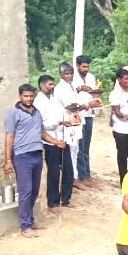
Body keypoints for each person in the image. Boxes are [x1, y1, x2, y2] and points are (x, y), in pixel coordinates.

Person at [4, 83, 66, 238]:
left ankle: (30, 220)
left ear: (35, 96)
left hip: (37, 155)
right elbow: (9, 136)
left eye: (31, 96)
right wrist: (7, 159)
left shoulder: (36, 112)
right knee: (25, 192)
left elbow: (42, 132)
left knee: (34, 190)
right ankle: (25, 226)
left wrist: (56, 142)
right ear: (20, 96)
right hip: (22, 156)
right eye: (26, 96)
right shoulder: (13, 113)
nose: (29, 98)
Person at [37, 75, 76, 211]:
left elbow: (63, 114)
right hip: (50, 141)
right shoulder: (38, 101)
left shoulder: (54, 99)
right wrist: (59, 122)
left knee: (68, 170)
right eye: (49, 85)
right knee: (53, 172)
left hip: (62, 138)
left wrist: (67, 122)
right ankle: (53, 203)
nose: (52, 87)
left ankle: (65, 199)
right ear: (42, 85)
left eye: (53, 84)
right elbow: (42, 124)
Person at [55, 63, 86, 190]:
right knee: (69, 150)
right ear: (61, 75)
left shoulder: (71, 86)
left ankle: (74, 177)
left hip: (74, 121)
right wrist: (86, 105)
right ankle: (71, 179)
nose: (69, 76)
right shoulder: (60, 88)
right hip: (66, 122)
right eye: (66, 73)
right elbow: (70, 105)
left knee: (75, 150)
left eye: (71, 73)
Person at [74, 55, 100, 188]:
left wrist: (96, 100)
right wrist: (79, 89)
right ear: (77, 65)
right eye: (83, 66)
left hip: (89, 114)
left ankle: (87, 174)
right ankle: (81, 176)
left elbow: (94, 92)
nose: (85, 69)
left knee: (86, 146)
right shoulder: (72, 78)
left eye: (87, 66)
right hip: (78, 115)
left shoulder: (91, 77)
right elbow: (70, 96)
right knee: (79, 146)